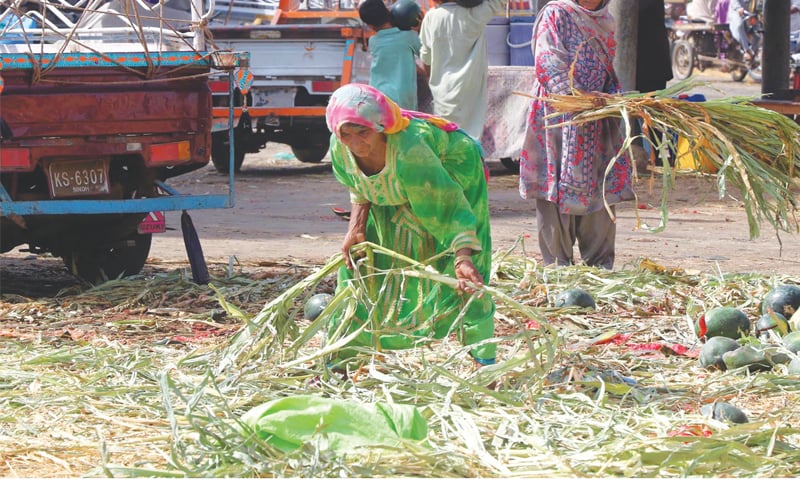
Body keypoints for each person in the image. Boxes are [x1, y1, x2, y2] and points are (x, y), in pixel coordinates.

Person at [324, 82, 496, 367]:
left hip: (449, 174)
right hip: (404, 182)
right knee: (367, 264)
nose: (356, 144)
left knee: (456, 274)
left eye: (363, 132)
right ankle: (343, 357)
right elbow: (358, 185)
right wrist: (355, 228)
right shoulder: (338, 148)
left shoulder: (410, 149)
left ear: (380, 128)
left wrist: (462, 254)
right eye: (347, 133)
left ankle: (482, 360)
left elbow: (446, 206)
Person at [519, 0, 634, 270]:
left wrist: (612, 99)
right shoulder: (556, 13)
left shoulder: (606, 19)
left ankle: (600, 267)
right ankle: (558, 268)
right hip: (558, 116)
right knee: (555, 186)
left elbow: (607, 71)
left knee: (600, 187)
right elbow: (547, 62)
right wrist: (578, 98)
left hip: (597, 120)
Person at [418, 0, 508, 139]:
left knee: (446, 140)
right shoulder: (474, 14)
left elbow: (426, 57)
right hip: (470, 92)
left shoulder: (431, 17)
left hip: (442, 91)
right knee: (470, 139)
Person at [358, 0, 422, 110]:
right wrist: (419, 31)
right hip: (403, 96)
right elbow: (425, 54)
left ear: (370, 25)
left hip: (378, 95)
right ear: (387, 11)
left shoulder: (374, 42)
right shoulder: (408, 37)